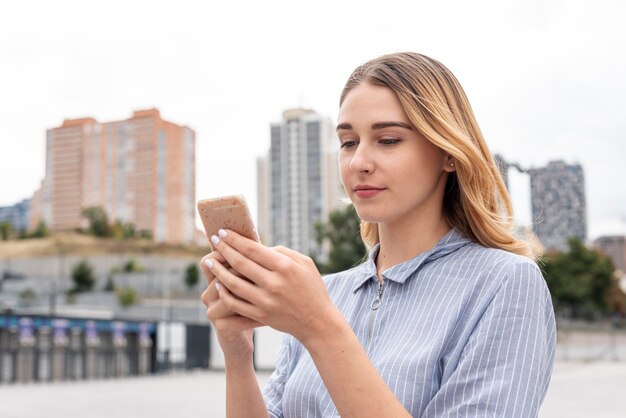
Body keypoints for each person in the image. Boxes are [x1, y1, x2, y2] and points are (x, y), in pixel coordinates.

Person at [200, 52, 556, 417]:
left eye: (387, 140)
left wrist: (321, 328)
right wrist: (237, 356)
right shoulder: (323, 294)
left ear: (448, 152)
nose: (358, 162)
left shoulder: (504, 283)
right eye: (348, 142)